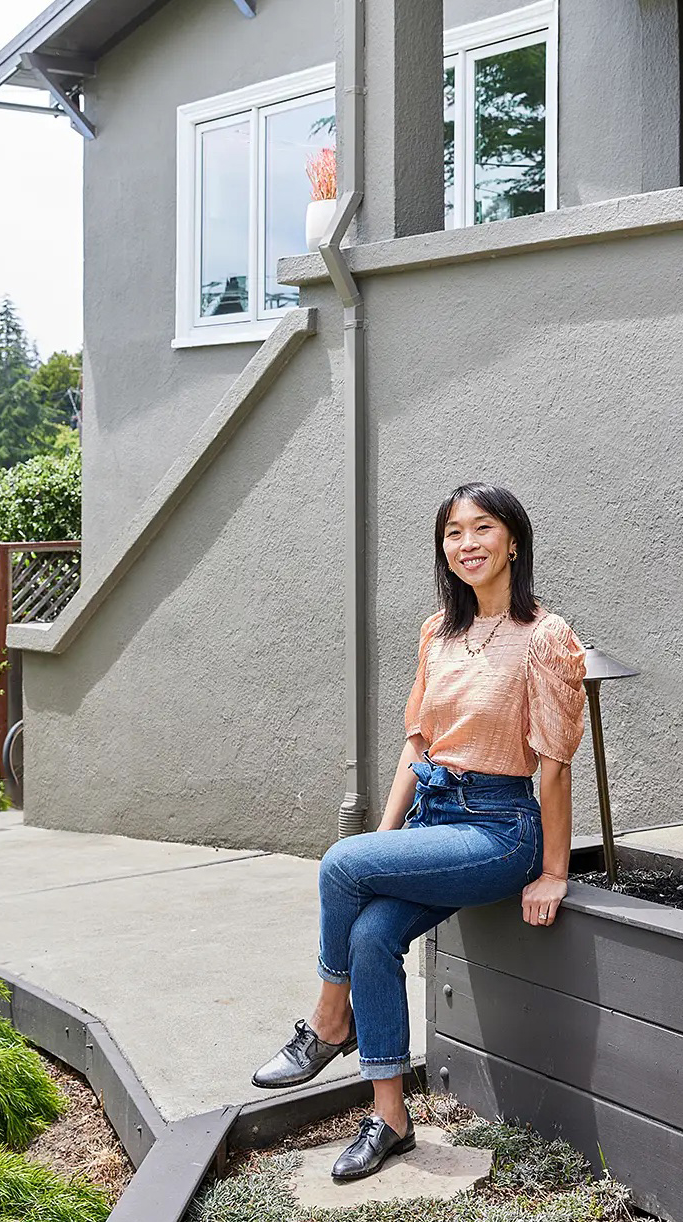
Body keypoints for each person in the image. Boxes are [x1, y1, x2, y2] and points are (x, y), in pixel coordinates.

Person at [251, 481, 588, 1182]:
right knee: (371, 934)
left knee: (342, 865)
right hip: (435, 819)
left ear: (514, 540)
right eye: (453, 533)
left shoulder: (546, 638)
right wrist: (381, 842)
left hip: (500, 829)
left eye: (483, 528)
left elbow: (553, 769)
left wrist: (554, 870)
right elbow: (416, 745)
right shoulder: (437, 631)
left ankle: (327, 1023)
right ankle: (391, 1118)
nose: (467, 544)